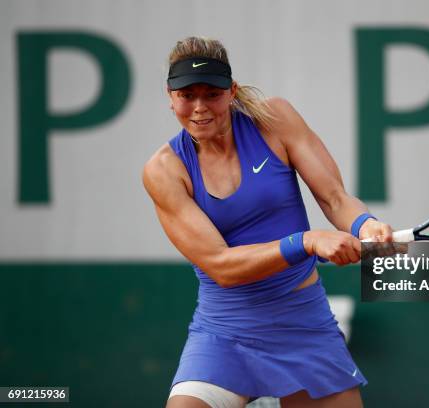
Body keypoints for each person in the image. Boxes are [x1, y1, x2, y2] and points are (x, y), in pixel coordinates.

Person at [142, 36, 393, 408]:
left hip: (303, 324)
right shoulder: (164, 170)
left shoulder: (274, 119)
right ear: (170, 96)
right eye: (187, 95)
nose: (199, 107)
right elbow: (222, 266)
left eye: (211, 94)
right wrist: (306, 242)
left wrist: (364, 226)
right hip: (225, 333)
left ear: (231, 92)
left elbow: (335, 197)